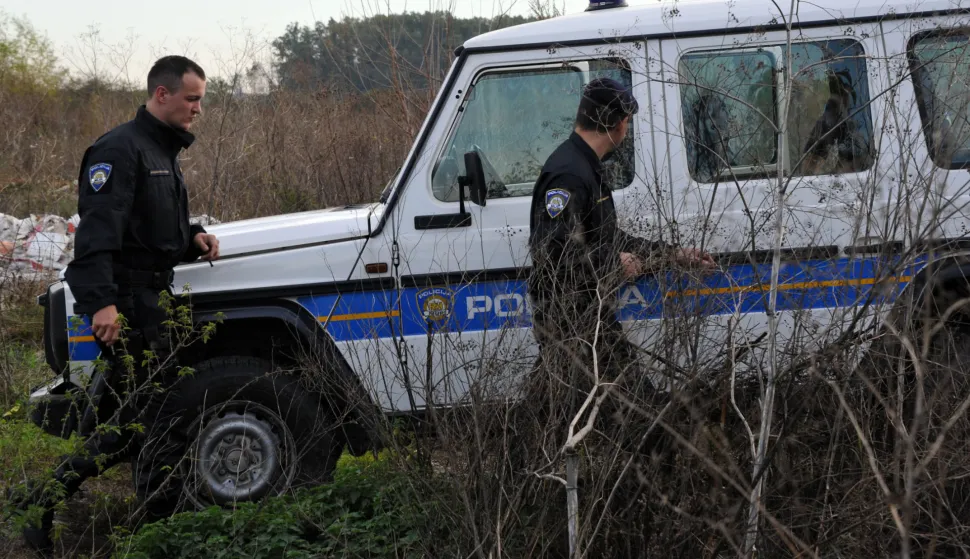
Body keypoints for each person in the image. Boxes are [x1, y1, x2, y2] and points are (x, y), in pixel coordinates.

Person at [15, 55, 220, 552]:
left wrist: (192, 235)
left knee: (141, 418)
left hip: (151, 296)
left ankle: (53, 502)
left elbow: (147, 226)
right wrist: (103, 305)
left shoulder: (161, 151)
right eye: (191, 99)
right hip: (126, 303)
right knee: (154, 417)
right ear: (162, 94)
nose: (198, 109)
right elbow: (98, 237)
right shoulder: (119, 149)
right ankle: (153, 525)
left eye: (201, 100)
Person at [525, 77, 715, 442]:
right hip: (571, 319)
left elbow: (612, 241)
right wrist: (613, 267)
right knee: (632, 412)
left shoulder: (586, 166)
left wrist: (672, 255)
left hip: (588, 318)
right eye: (627, 122)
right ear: (619, 124)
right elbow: (552, 255)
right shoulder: (569, 174)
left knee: (561, 414)